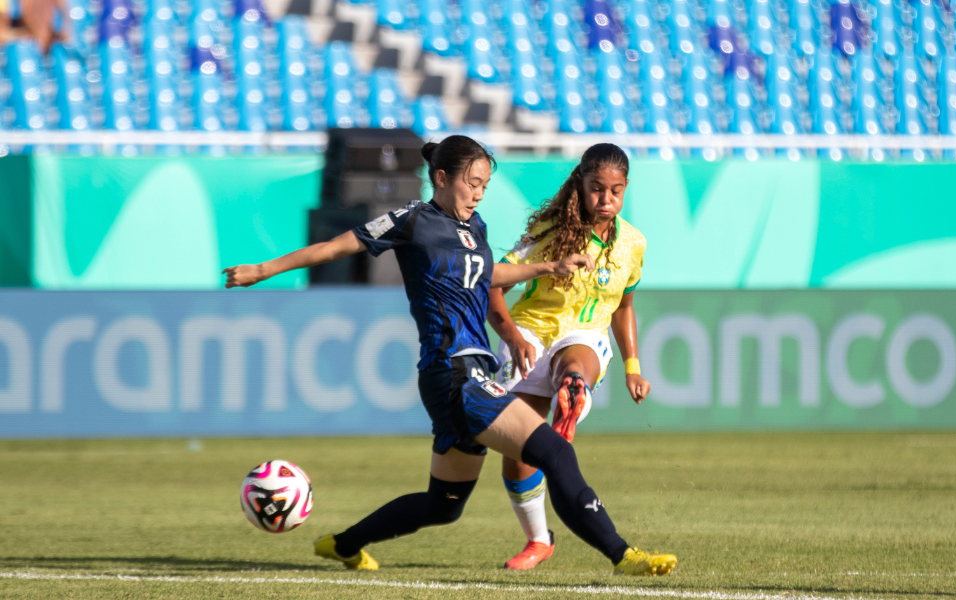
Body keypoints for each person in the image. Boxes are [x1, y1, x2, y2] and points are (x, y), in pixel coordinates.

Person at [223, 135, 676, 576]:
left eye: (484, 186)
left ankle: (342, 545)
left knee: (443, 506)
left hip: (470, 370)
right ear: (441, 178)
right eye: (472, 183)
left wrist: (547, 267)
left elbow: (488, 273)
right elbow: (339, 245)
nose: (478, 195)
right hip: (453, 372)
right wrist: (262, 270)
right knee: (554, 452)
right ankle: (623, 555)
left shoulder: (472, 227)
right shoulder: (413, 221)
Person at [486, 143, 652, 570]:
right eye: (597, 189)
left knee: (575, 363)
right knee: (519, 450)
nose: (606, 200)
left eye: (616, 191)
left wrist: (633, 365)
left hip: (585, 335)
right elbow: (492, 282)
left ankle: (572, 390)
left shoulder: (633, 244)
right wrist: (509, 334)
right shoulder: (549, 230)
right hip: (531, 333)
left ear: (626, 188)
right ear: (580, 184)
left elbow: (625, 307)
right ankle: (538, 540)